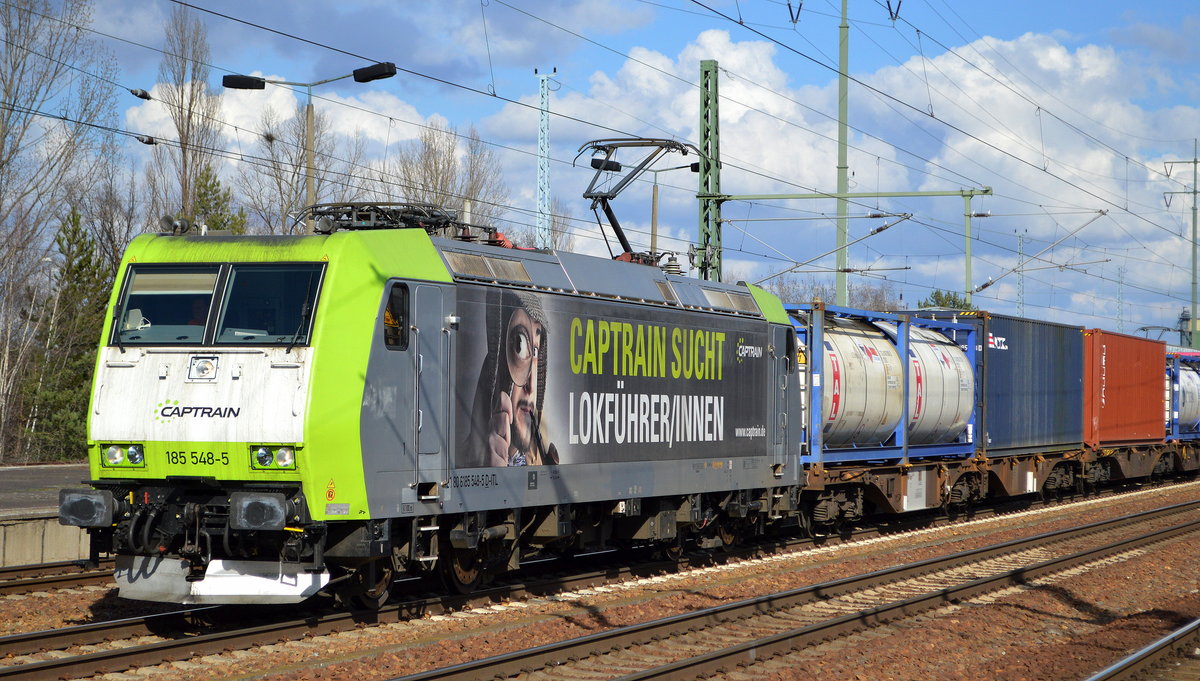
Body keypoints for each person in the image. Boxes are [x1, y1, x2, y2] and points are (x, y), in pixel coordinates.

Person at [465, 289, 558, 467]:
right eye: (520, 345)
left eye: (536, 351)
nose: (531, 386)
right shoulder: (460, 461)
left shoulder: (546, 462)